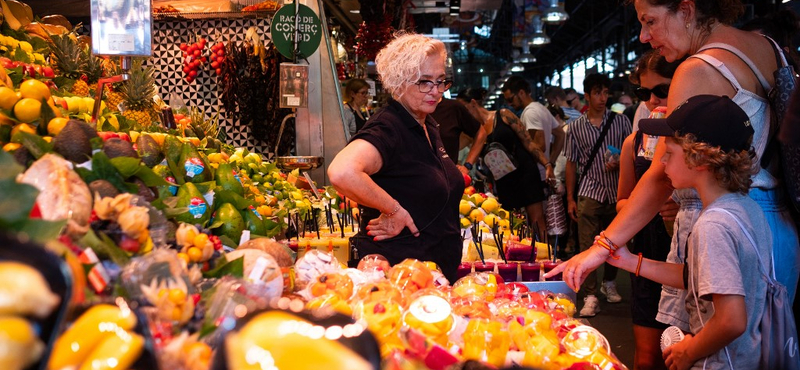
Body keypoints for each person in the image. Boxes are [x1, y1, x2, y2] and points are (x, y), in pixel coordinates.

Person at [549, 0, 800, 307]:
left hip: (724, 240)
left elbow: (660, 177)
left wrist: (602, 247)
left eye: (650, 21)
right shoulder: (768, 47)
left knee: (715, 352)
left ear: (685, 10)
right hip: (777, 229)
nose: (643, 36)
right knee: (774, 342)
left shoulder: (696, 69)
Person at [611, 95, 768, 370]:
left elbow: (731, 319)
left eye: (669, 154)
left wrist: (688, 351)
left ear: (700, 159)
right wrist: (630, 262)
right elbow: (697, 276)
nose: (661, 164)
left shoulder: (713, 226)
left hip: (719, 362)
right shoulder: (746, 208)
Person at [327, 33, 464, 282]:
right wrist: (393, 210)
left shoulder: (427, 123)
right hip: (400, 279)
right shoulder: (389, 127)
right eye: (424, 82)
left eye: (441, 81)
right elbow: (342, 171)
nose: (436, 91)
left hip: (432, 277)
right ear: (399, 82)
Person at [617, 49, 682, 370]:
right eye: (644, 92)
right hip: (647, 252)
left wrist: (680, 209)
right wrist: (650, 206)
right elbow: (622, 201)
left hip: (687, 257)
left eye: (662, 89)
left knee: (685, 354)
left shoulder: (699, 138)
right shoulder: (634, 141)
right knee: (647, 356)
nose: (653, 100)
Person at [565, 73, 632, 317]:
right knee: (587, 245)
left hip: (617, 191)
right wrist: (571, 198)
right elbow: (571, 163)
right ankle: (591, 295)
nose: (603, 98)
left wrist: (622, 163)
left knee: (617, 241)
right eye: (597, 93)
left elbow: (633, 153)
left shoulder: (621, 122)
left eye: (606, 92)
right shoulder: (575, 128)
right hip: (589, 191)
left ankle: (610, 282)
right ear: (587, 95)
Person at [457, 87, 553, 231]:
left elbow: (528, 142)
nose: (461, 113)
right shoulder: (472, 133)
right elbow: (452, 146)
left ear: (472, 103)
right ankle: (521, 252)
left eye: (462, 108)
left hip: (525, 171)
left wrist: (547, 164)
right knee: (512, 223)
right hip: (503, 179)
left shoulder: (503, 115)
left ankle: (545, 252)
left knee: (537, 220)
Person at [502, 76, 565, 241]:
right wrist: (550, 161)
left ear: (521, 93)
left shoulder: (530, 112)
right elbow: (560, 134)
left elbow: (539, 144)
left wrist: (544, 160)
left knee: (537, 221)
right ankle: (545, 255)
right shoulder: (541, 108)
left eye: (511, 99)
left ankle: (543, 257)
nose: (509, 104)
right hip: (541, 171)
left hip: (534, 174)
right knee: (539, 221)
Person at [430, 97, 488, 175]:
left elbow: (480, 133)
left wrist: (467, 166)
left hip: (447, 178)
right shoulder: (410, 109)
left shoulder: (452, 108)